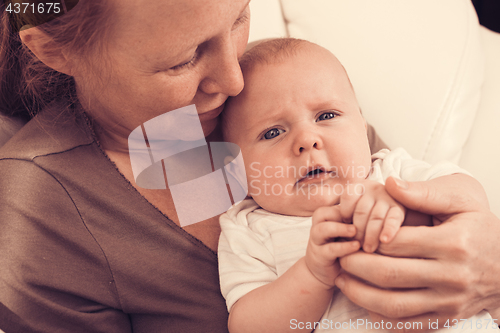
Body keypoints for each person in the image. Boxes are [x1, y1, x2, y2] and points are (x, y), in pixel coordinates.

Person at [0, 0, 498, 332]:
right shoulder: (39, 222)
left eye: (239, 17)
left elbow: (435, 204)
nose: (236, 80)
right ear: (55, 49)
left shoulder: (280, 96)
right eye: (183, 60)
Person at [218, 38, 497, 332]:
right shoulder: (248, 229)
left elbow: (470, 196)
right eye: (273, 132)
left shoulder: (392, 171)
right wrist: (313, 274)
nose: (306, 140)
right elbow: (248, 327)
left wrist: (406, 199)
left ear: (362, 127)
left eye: (326, 116)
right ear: (236, 171)